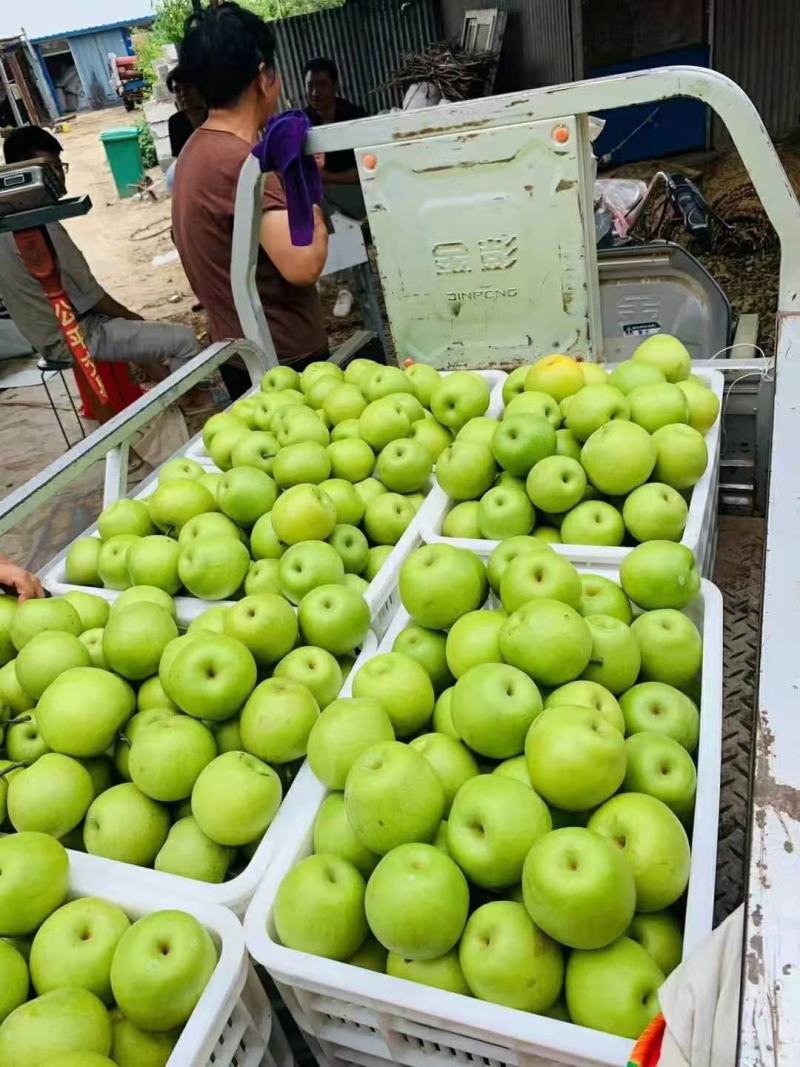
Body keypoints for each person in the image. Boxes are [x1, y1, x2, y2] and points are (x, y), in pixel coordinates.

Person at [172, 1, 329, 391]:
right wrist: (305, 186)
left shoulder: (195, 150)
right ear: (263, 76)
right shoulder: (242, 164)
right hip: (283, 362)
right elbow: (303, 264)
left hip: (238, 352)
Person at [0, 127, 201, 375]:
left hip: (49, 334)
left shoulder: (9, 221)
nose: (59, 176)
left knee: (136, 335)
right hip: (73, 336)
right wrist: (135, 318)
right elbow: (93, 298)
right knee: (183, 341)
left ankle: (170, 390)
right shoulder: (41, 228)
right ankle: (195, 401)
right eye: (51, 168)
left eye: (60, 166)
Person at [304, 57, 367, 318]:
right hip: (325, 200)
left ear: (335, 86)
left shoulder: (354, 118)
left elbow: (367, 171)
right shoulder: (302, 123)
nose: (315, 93)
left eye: (322, 85)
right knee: (323, 206)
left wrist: (328, 177)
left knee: (325, 202)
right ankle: (344, 282)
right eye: (310, 86)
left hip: (358, 196)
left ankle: (343, 284)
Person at [166, 66, 207, 160]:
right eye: (177, 90)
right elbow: (180, 159)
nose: (183, 93)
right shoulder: (176, 122)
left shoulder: (216, 114)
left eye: (188, 87)